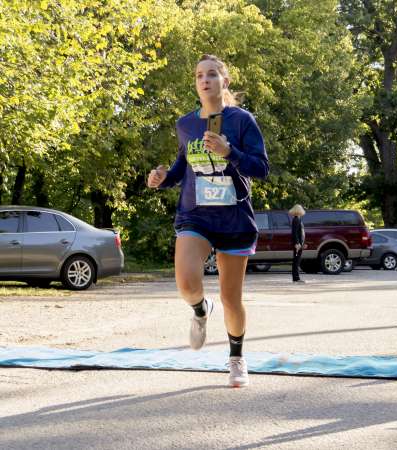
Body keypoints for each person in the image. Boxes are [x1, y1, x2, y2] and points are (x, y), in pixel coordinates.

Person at [147, 54, 269, 388]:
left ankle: (237, 357)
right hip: (195, 215)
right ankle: (201, 310)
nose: (205, 80)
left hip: (234, 218)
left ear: (224, 81)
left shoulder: (242, 120)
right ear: (196, 83)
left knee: (231, 299)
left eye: (212, 74)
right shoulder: (185, 124)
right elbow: (180, 168)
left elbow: (261, 168)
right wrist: (162, 177)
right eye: (200, 75)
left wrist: (231, 153)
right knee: (186, 282)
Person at [289, 204, 306, 283]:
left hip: (299, 243)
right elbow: (294, 233)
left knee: (297, 260)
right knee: (296, 261)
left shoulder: (298, 219)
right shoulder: (296, 220)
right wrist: (297, 243)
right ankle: (296, 278)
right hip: (298, 244)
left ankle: (296, 278)